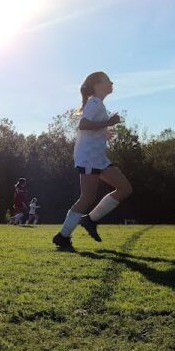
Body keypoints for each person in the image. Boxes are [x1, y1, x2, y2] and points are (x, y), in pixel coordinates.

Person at [53, 71, 133, 250]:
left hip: (98, 158)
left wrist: (104, 133)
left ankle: (90, 220)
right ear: (97, 85)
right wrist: (108, 123)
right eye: (108, 80)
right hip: (89, 158)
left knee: (125, 188)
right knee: (87, 197)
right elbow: (83, 125)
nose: (112, 82)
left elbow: (89, 129)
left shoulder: (98, 104)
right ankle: (62, 236)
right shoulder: (95, 102)